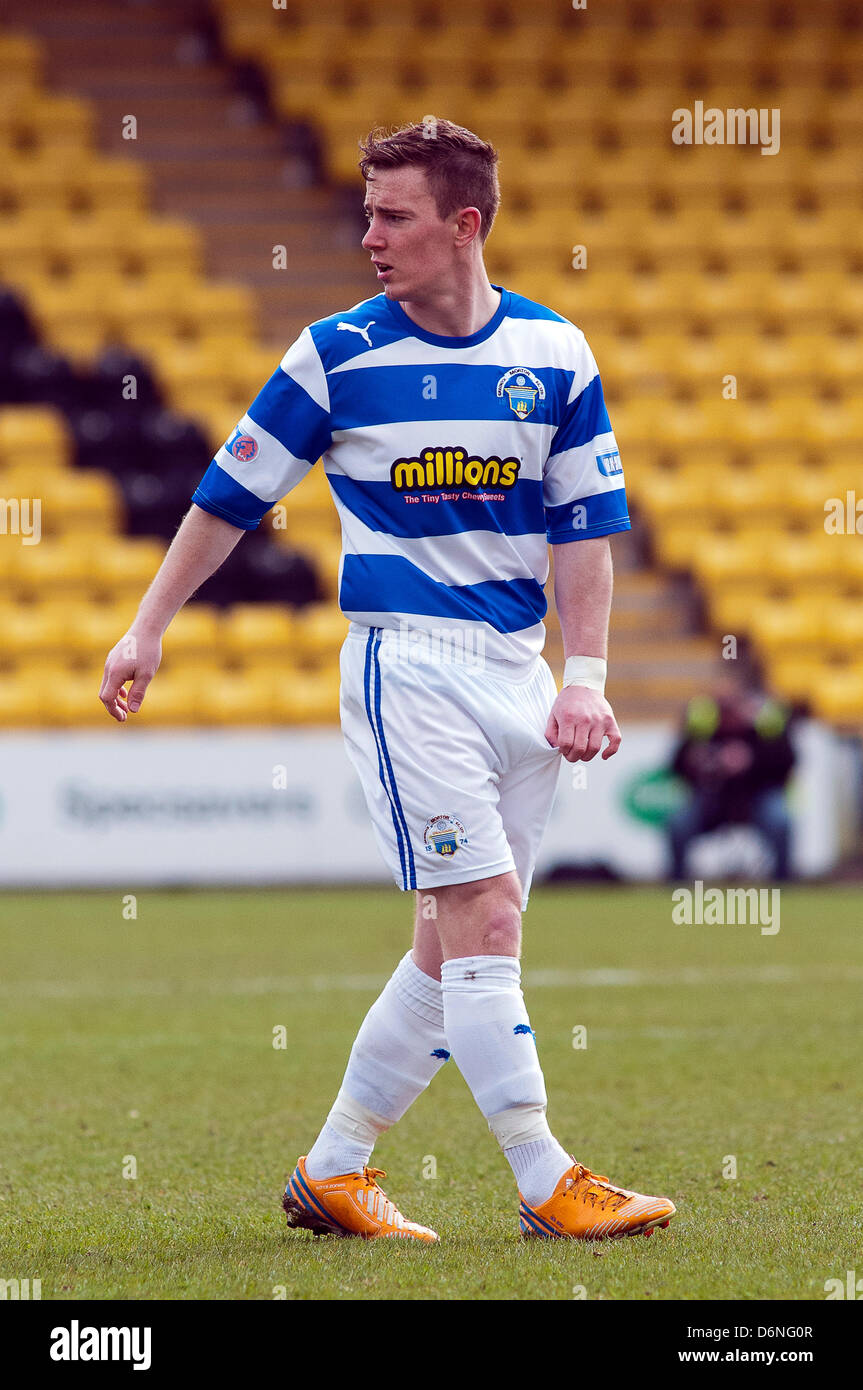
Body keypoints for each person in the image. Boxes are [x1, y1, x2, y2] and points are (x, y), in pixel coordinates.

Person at [100, 119, 676, 1243]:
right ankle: (544, 1175)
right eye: (366, 213)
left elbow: (584, 529)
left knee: (445, 944)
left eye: (393, 215)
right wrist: (146, 628)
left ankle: (333, 1170)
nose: (368, 235)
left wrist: (587, 675)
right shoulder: (336, 355)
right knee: (484, 912)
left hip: (519, 674)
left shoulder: (555, 353)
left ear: (466, 225)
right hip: (404, 665)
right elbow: (226, 497)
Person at [667, 679, 795, 881]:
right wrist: (698, 761)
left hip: (757, 797)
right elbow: (675, 765)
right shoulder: (702, 725)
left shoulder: (764, 726)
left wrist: (751, 760)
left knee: (780, 820)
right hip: (712, 799)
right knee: (678, 822)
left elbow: (787, 762)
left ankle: (784, 882)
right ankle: (676, 881)